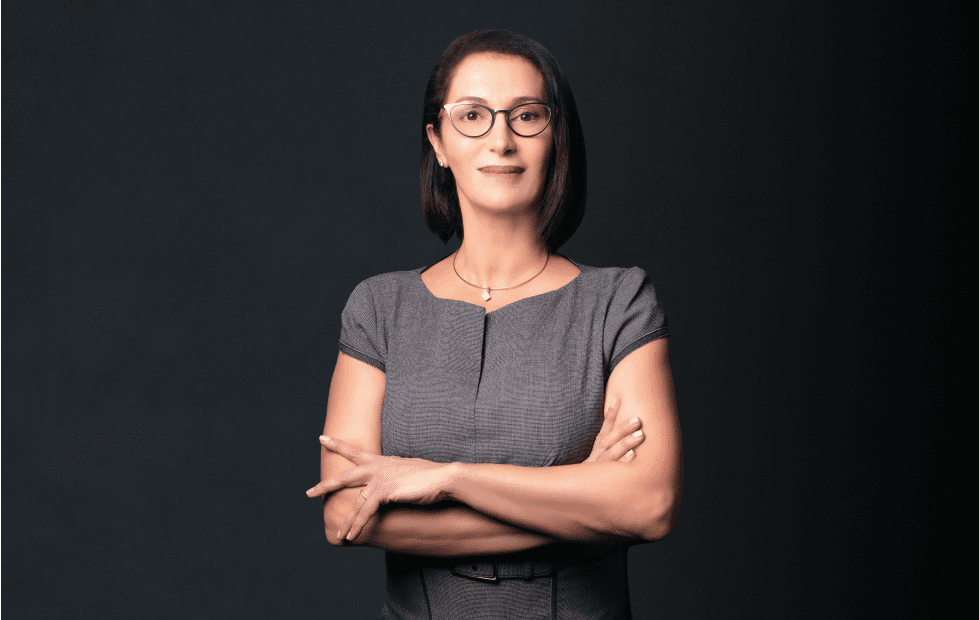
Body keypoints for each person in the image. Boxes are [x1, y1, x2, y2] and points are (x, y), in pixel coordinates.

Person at [306, 29, 682, 619]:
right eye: (473, 116)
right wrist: (582, 499)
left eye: (527, 115)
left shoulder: (619, 300)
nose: (501, 140)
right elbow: (345, 515)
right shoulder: (379, 308)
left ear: (556, 136)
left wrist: (447, 478)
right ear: (438, 141)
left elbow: (649, 505)